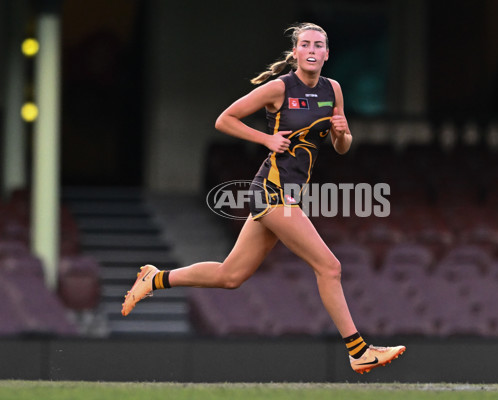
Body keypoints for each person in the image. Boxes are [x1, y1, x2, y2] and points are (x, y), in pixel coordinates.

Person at [121, 22, 405, 374]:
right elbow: (224, 120)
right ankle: (358, 350)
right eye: (306, 44)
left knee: (230, 276)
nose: (313, 49)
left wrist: (343, 135)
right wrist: (266, 140)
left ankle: (156, 278)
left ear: (328, 53)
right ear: (297, 52)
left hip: (290, 194)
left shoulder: (334, 90)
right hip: (272, 193)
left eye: (319, 44)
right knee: (330, 267)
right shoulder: (279, 87)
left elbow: (341, 147)